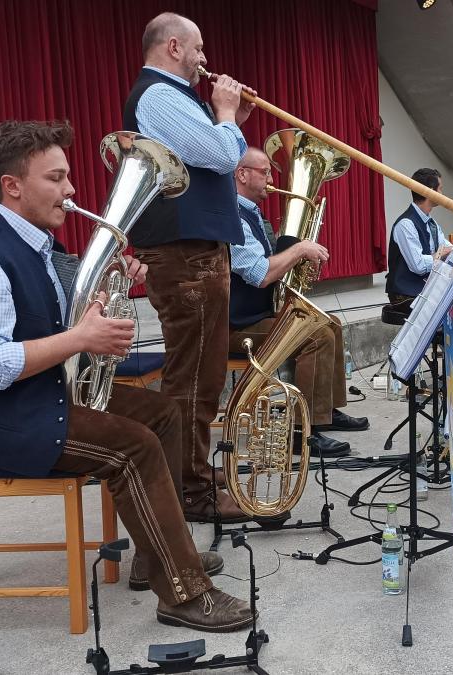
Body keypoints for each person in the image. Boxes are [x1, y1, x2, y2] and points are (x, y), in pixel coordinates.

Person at [0, 120, 252, 632]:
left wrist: (105, 289)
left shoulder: (37, 246)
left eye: (68, 177)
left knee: (165, 414)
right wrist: (81, 339)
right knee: (133, 445)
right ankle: (185, 595)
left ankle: (159, 554)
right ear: (13, 186)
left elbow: (55, 321)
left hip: (36, 398)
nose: (71, 189)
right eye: (56, 179)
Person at [121, 12, 254, 524]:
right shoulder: (159, 97)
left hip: (195, 251)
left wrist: (227, 121)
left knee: (203, 372)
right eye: (199, 49)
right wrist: (224, 113)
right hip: (185, 255)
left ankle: (189, 468)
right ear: (174, 46)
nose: (205, 59)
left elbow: (215, 151)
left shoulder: (175, 98)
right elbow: (222, 158)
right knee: (195, 376)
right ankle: (189, 492)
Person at [228, 147, 368, 458]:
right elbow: (261, 274)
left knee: (329, 322)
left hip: (255, 314)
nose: (271, 179)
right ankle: (302, 430)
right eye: (265, 172)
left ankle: (326, 412)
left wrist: (299, 260)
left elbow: (269, 266)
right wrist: (299, 250)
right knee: (315, 334)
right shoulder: (233, 217)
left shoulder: (250, 213)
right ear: (242, 174)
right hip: (236, 326)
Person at [385, 168, 452, 306]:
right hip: (405, 294)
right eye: (440, 189)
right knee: (448, 307)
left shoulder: (432, 223)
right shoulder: (406, 224)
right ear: (430, 191)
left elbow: (449, 248)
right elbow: (419, 266)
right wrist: (443, 253)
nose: (442, 194)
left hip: (423, 290)